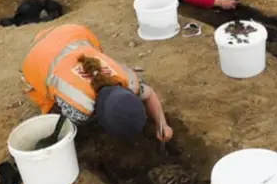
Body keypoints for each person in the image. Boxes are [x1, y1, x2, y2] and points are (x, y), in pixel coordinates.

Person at [21, 24, 173, 142]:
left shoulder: (127, 79)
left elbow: (149, 94)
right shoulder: (79, 108)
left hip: (72, 33)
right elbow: (67, 124)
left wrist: (162, 124)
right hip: (37, 58)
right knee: (50, 103)